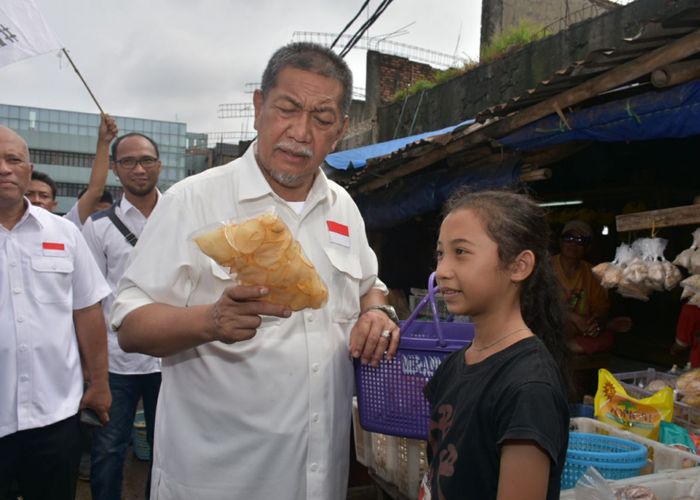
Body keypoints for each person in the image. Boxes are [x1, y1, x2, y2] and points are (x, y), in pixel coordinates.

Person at [110, 42, 399, 500]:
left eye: (322, 119)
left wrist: (378, 314)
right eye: (287, 109)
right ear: (259, 107)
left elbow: (369, 286)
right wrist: (209, 321)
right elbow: (129, 324)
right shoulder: (192, 201)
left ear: (340, 129)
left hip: (320, 479)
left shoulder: (341, 205)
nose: (301, 132)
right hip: (220, 481)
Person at [423, 190, 570, 499]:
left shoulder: (529, 387)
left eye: (460, 252)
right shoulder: (455, 366)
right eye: (440, 253)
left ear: (518, 266)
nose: (443, 270)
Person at [0, 126, 112, 500]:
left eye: (13, 160)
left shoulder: (64, 233)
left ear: (29, 170)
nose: (5, 169)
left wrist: (99, 384)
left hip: (54, 416)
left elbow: (87, 311)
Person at [82, 132, 163, 500]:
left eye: (146, 159)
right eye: (128, 161)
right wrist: (91, 367)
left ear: (159, 164)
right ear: (115, 169)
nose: (139, 168)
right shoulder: (97, 227)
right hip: (117, 362)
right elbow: (89, 301)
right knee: (108, 451)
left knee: (168, 450)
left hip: (170, 357)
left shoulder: (179, 215)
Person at [552, 220, 630, 354]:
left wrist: (595, 324)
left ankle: (565, 346)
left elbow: (600, 309)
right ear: (560, 242)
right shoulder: (544, 267)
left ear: (587, 247)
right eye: (569, 238)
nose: (573, 244)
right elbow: (537, 305)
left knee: (608, 336)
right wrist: (574, 318)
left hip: (582, 329)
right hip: (552, 325)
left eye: (580, 241)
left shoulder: (594, 272)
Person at [64, 114, 119, 229]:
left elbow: (95, 190)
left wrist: (104, 142)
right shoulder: (66, 225)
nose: (37, 200)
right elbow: (95, 191)